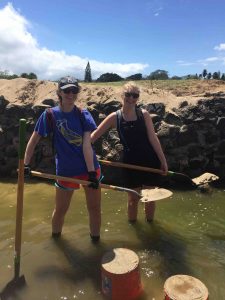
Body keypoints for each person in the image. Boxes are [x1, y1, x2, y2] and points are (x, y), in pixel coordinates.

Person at [24, 76, 102, 242]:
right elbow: (33, 140)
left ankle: (95, 242)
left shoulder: (83, 114)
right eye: (66, 90)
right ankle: (56, 241)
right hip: (66, 171)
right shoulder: (50, 115)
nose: (70, 94)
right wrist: (25, 165)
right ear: (59, 92)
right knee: (60, 210)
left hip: (89, 168)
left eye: (74, 90)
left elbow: (87, 146)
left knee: (94, 209)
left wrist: (91, 174)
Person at [91, 81, 168, 223]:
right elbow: (93, 137)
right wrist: (79, 151)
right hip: (130, 163)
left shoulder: (144, 114)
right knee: (133, 199)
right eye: (128, 94)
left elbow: (153, 138)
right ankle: (134, 229)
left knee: (150, 198)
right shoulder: (114, 117)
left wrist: (163, 161)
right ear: (122, 95)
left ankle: (150, 227)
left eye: (135, 95)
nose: (131, 98)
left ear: (138, 98)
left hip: (150, 161)